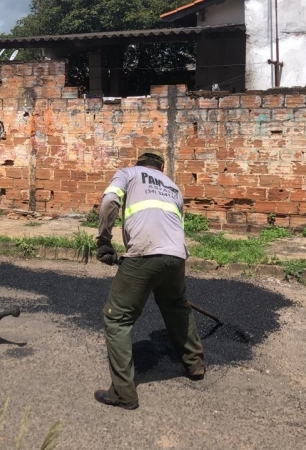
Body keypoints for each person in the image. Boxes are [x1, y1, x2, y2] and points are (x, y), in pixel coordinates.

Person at [94, 150, 205, 410]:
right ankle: (195, 364)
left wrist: (103, 241)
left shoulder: (128, 173)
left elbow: (110, 201)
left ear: (140, 165)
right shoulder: (173, 187)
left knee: (117, 317)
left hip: (144, 254)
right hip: (176, 256)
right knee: (176, 305)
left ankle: (123, 393)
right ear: (161, 169)